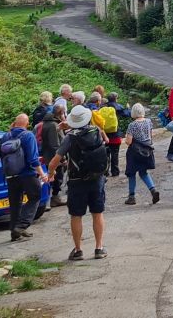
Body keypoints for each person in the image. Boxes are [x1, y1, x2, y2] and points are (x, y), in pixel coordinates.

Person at [47, 105, 109, 261]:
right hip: (97, 178)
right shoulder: (96, 131)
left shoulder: (70, 138)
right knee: (97, 213)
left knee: (76, 215)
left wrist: (51, 173)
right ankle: (99, 247)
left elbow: (55, 161)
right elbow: (91, 134)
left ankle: (78, 250)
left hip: (77, 181)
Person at [0, 114, 48, 242]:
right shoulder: (28, 135)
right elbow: (33, 159)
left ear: (15, 123)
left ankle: (14, 232)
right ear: (27, 124)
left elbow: (2, 157)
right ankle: (21, 226)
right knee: (35, 196)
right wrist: (42, 174)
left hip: (11, 175)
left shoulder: (5, 136)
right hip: (27, 174)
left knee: (15, 203)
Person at [124, 103, 159, 205]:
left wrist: (127, 137)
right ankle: (153, 190)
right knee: (143, 172)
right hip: (147, 150)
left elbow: (129, 142)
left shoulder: (132, 125)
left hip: (135, 152)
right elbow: (150, 136)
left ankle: (132, 197)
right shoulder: (148, 121)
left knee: (131, 174)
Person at [41, 106, 67, 207]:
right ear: (60, 113)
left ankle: (50, 200)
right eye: (63, 113)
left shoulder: (48, 122)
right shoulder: (52, 125)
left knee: (54, 178)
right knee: (56, 178)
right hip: (54, 157)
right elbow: (54, 144)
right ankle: (52, 200)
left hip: (49, 156)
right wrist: (62, 158)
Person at [103, 92, 129, 177]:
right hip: (115, 134)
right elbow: (127, 114)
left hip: (104, 135)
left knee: (106, 154)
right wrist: (128, 108)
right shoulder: (118, 107)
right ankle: (115, 172)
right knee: (115, 154)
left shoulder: (103, 106)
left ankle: (105, 172)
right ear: (116, 98)